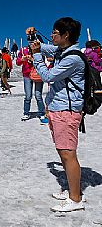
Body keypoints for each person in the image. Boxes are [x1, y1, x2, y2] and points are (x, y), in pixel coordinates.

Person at [27, 17, 85, 212]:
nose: (51, 35)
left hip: (66, 112)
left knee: (68, 154)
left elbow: (48, 76)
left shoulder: (72, 58)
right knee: (63, 151)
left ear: (66, 35)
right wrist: (34, 38)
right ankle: (71, 190)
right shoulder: (62, 50)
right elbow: (43, 47)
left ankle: (76, 199)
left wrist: (36, 55)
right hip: (59, 109)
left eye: (55, 33)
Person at [16, 46, 45, 122]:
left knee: (38, 95)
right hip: (27, 74)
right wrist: (22, 59)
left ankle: (42, 113)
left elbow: (43, 63)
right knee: (28, 96)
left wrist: (33, 60)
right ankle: (26, 113)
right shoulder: (23, 50)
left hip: (37, 74)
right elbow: (18, 62)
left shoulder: (40, 51)